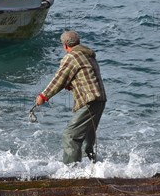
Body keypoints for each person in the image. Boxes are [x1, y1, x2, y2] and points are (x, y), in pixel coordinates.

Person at [35, 31, 107, 164]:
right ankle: (95, 168)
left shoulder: (72, 57)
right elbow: (85, 77)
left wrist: (43, 96)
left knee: (70, 136)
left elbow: (59, 80)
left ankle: (71, 172)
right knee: (87, 139)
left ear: (65, 45)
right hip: (100, 100)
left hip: (89, 101)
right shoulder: (88, 55)